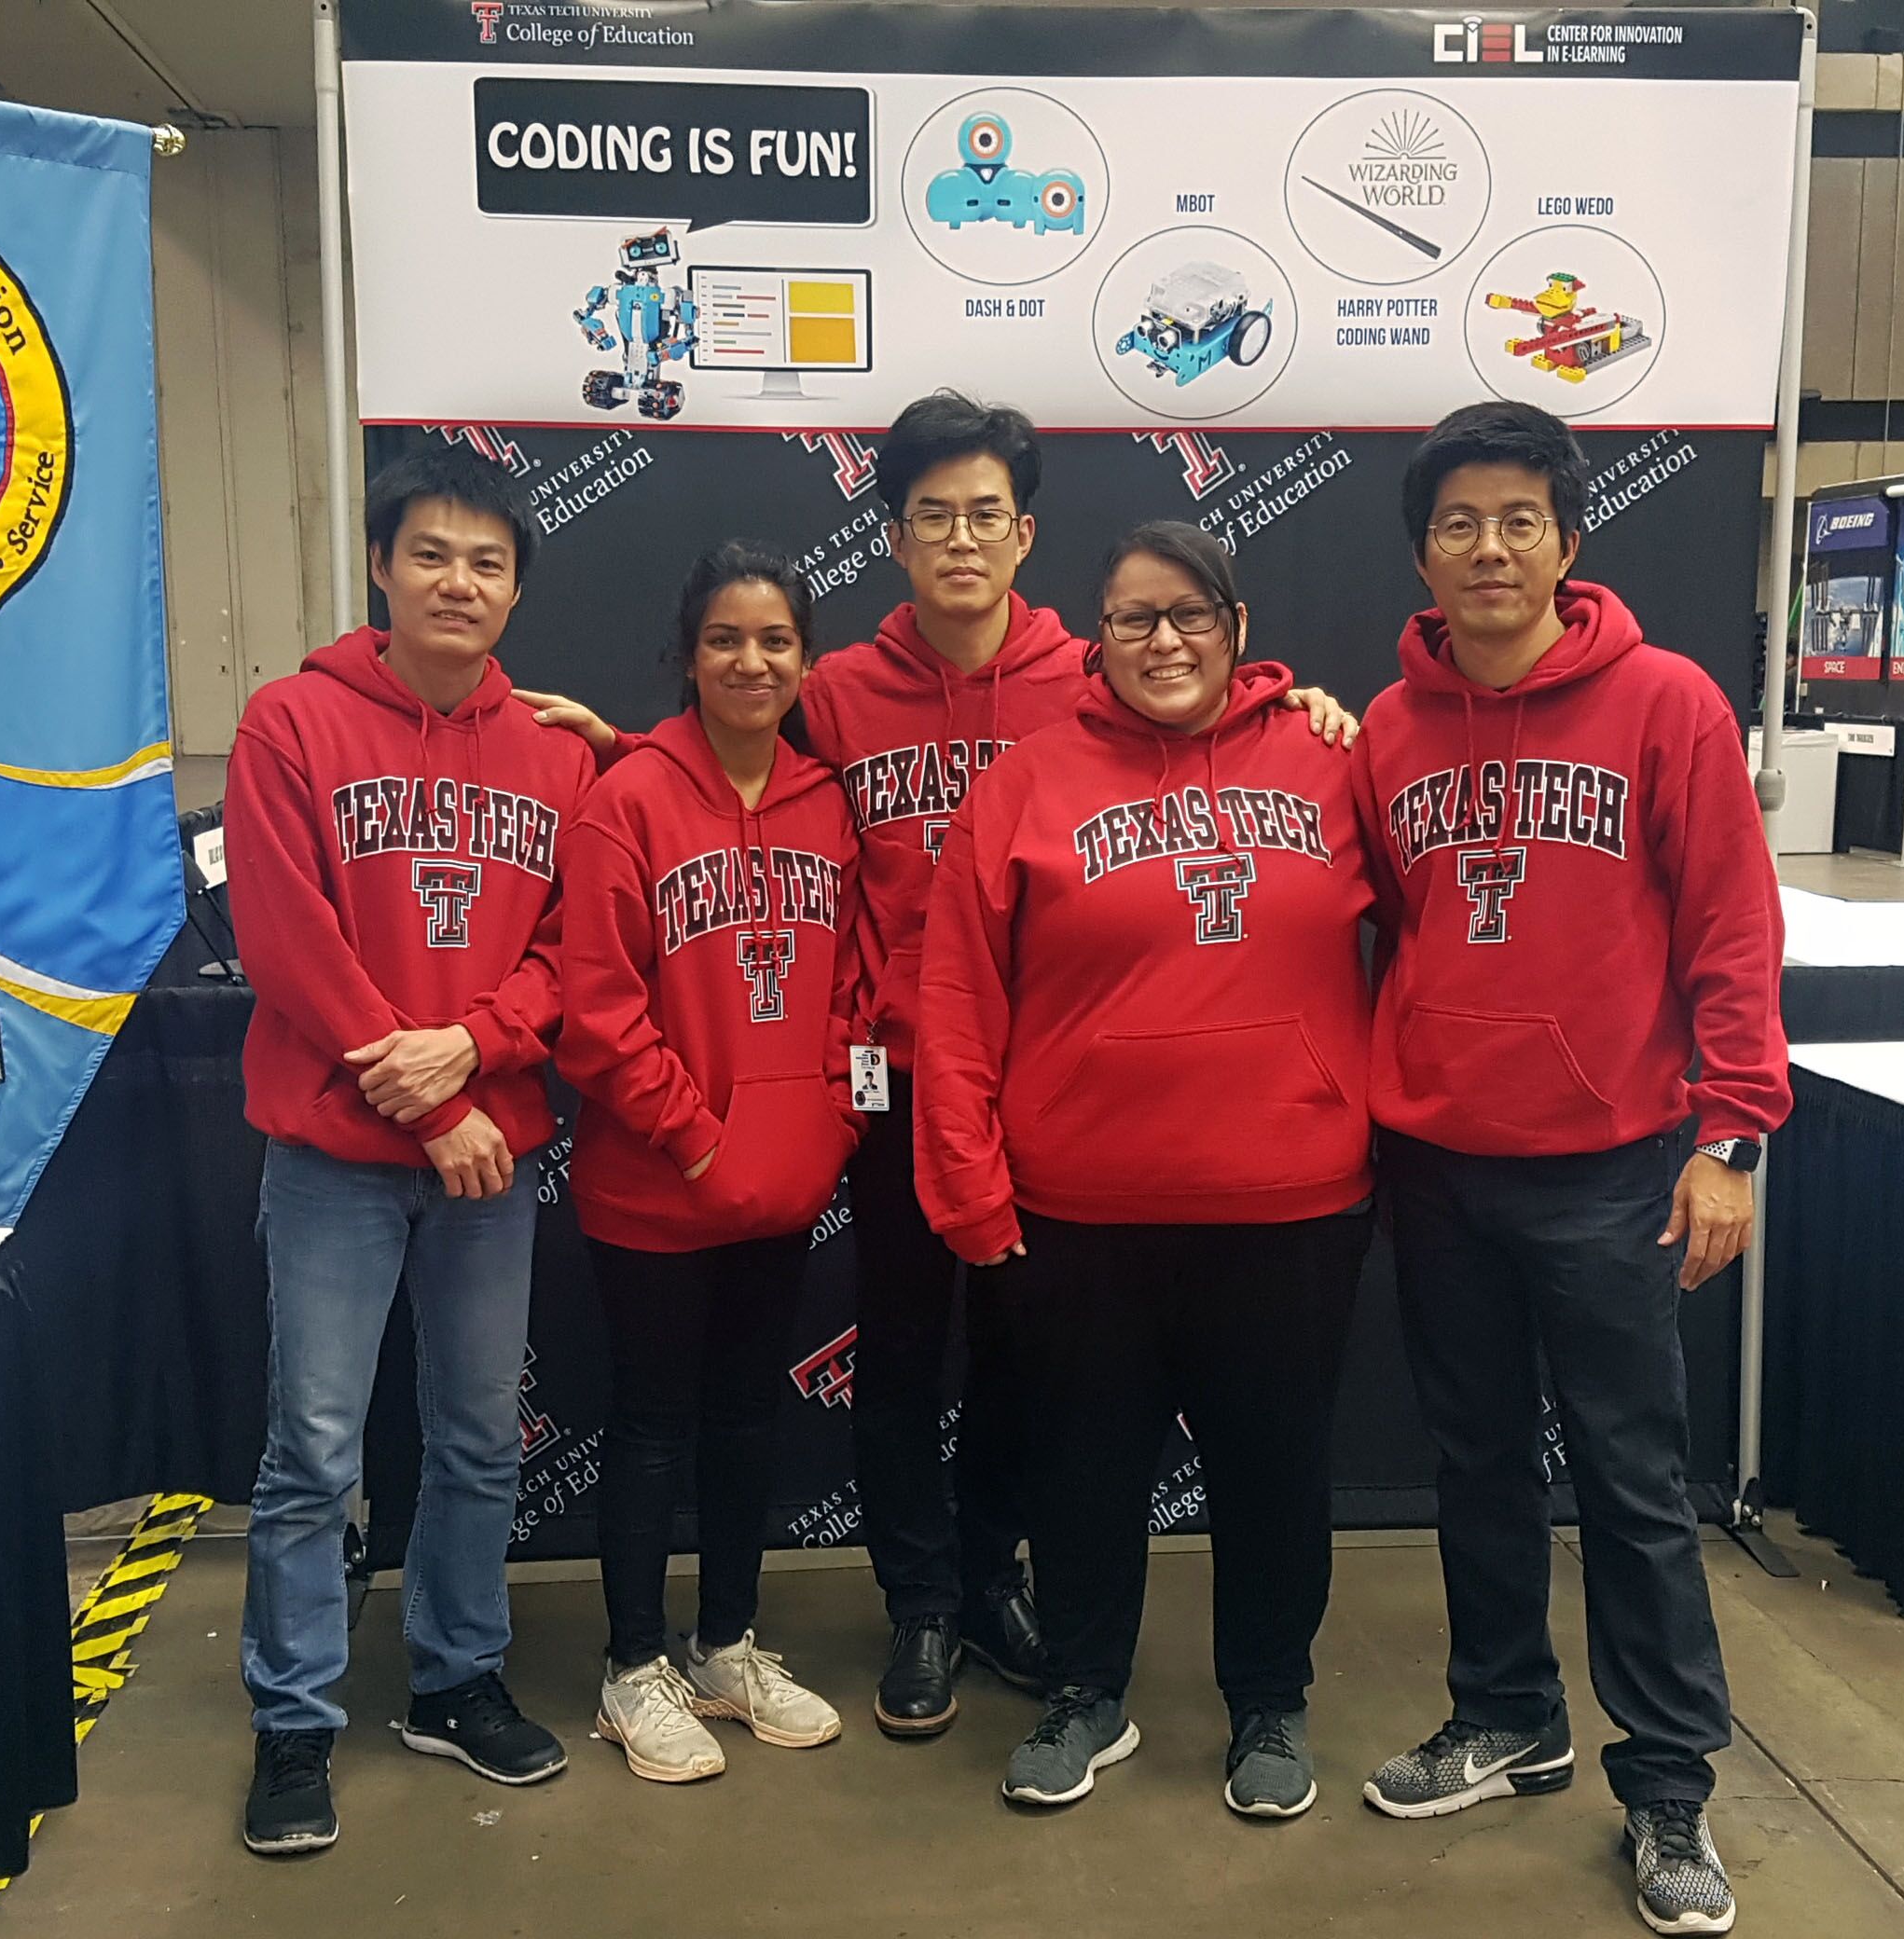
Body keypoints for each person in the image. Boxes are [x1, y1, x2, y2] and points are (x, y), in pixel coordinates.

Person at [528, 389, 1358, 1741]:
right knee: (899, 1357)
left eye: (985, 515)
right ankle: (918, 1600)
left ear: (1024, 534)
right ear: (896, 538)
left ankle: (992, 1582)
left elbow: (1205, 718)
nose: (961, 540)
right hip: (893, 1075)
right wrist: (616, 752)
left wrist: (1303, 705)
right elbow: (728, 780)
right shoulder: (841, 687)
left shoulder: (1086, 677)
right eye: (932, 518)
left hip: (1055, 1087)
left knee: (1031, 1371)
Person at [1354, 401, 1788, 1938]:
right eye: (1460, 522)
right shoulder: (1388, 733)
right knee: (1473, 1462)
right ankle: (1505, 1713)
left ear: (1567, 540)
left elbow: (1735, 928)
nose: (1490, 547)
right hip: (1436, 1157)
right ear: (1422, 551)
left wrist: (1731, 1137)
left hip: (1613, 1163)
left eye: (1519, 520)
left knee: (1631, 1482)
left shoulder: (1667, 703)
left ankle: (1669, 1788)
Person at [917, 522, 1377, 1820]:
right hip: (1083, 1209)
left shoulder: (1336, 762)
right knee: (1083, 1466)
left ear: (1236, 625)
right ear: (1095, 635)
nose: (1163, 641)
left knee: (1275, 1469)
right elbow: (955, 993)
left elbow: (1447, 935)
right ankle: (1083, 1693)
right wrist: (966, 1182)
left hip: (1288, 1204)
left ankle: (1271, 1704)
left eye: (1189, 615)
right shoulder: (1026, 781)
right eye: (1132, 619)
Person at [222, 446, 596, 1856]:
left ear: (514, 590)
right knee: (314, 1450)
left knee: (480, 1439)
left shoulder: (559, 753)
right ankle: (294, 1723)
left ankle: (455, 1680)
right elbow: (286, 942)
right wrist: (432, 1100)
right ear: (382, 566)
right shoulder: (290, 724)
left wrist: (480, 1048)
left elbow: (574, 950)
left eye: (488, 562)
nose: (460, 581)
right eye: (432, 553)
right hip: (341, 1156)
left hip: (491, 1157)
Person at [557, 541, 863, 1783]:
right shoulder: (625, 799)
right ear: (688, 655)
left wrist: (826, 1126)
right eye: (726, 639)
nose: (751, 661)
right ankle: (635, 1669)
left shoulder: (828, 801)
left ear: (805, 660)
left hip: (783, 1183)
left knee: (747, 1417)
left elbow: (853, 986)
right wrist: (698, 1138)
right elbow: (596, 1006)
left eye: (776, 640)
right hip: (654, 1189)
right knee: (649, 1426)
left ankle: (727, 1641)